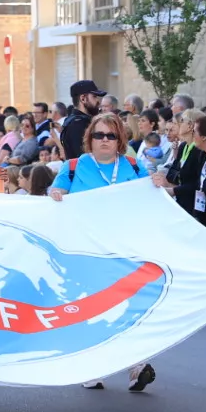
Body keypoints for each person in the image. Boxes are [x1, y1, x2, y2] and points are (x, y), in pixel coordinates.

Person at [50, 112, 157, 393]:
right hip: (87, 253)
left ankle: (137, 365)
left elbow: (152, 197)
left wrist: (158, 185)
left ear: (120, 139)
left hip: (127, 251)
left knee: (132, 308)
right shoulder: (74, 166)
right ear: (90, 139)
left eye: (111, 135)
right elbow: (55, 191)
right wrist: (55, 194)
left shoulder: (133, 166)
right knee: (92, 309)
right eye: (99, 135)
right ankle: (93, 366)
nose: (105, 140)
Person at [156, 112, 206, 234]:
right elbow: (174, 174)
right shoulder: (197, 151)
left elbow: (200, 184)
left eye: (181, 121)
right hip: (197, 208)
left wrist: (173, 189)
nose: (193, 134)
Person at [61, 79, 104, 162]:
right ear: (83, 98)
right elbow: (84, 157)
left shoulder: (74, 121)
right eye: (94, 96)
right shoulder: (78, 124)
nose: (98, 101)